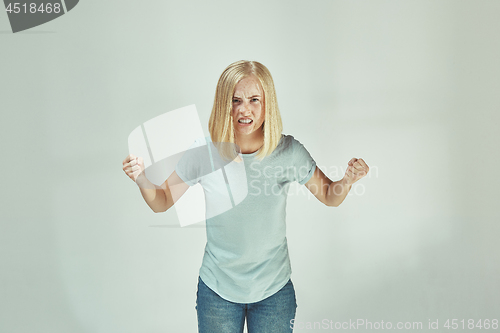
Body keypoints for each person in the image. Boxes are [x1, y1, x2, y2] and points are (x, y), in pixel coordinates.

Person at [122, 60, 369, 333]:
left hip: (274, 292)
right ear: (223, 105)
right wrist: (143, 179)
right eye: (235, 100)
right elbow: (162, 202)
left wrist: (347, 180)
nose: (244, 109)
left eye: (254, 99)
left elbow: (328, 195)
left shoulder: (288, 151)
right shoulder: (204, 153)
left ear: (268, 104)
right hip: (217, 291)